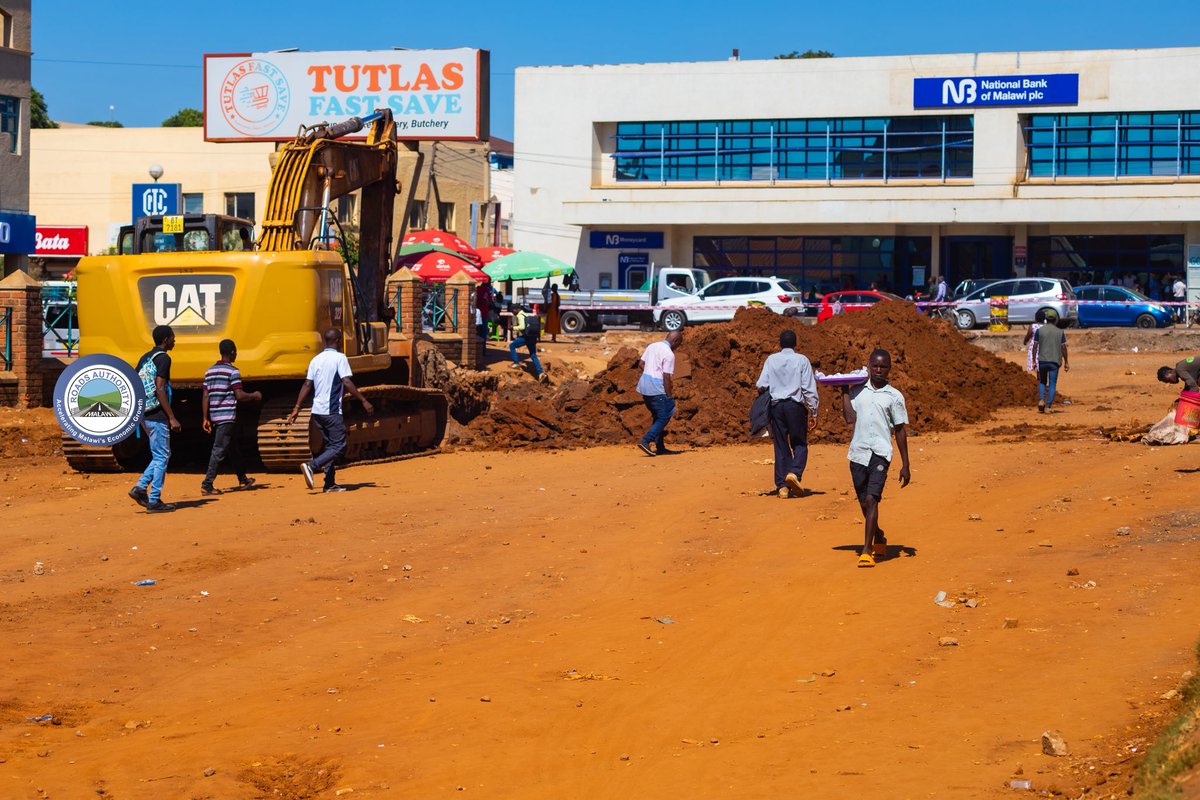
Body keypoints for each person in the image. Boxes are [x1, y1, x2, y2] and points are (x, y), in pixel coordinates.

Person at [839, 349, 911, 568]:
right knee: (863, 502)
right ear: (869, 366)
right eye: (875, 366)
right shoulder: (857, 391)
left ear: (889, 368)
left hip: (880, 453)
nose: (879, 370)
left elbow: (900, 430)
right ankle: (878, 535)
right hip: (858, 453)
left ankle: (866, 550)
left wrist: (906, 464)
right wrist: (844, 391)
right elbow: (849, 418)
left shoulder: (894, 396)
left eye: (883, 366)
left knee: (872, 499)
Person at [287, 328, 375, 493]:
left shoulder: (316, 359)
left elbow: (307, 384)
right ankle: (311, 466)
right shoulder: (340, 358)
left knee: (330, 446)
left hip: (317, 412)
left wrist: (297, 407)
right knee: (339, 445)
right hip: (331, 411)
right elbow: (346, 381)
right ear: (338, 341)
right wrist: (363, 400)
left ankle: (329, 484)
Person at [756, 329, 819, 498]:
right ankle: (794, 473)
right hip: (795, 407)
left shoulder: (771, 360)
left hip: (776, 407)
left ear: (780, 343)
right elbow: (808, 388)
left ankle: (782, 487)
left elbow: (761, 384)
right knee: (799, 443)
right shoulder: (802, 360)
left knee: (781, 445)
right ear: (795, 343)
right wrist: (813, 411)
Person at [129, 324, 181, 513]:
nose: (175, 340)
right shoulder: (164, 359)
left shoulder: (146, 357)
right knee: (162, 456)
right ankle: (154, 500)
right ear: (166, 339)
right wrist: (172, 417)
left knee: (161, 454)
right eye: (173, 337)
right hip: (157, 414)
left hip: (144, 413)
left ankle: (140, 488)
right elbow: (160, 389)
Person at [200, 339, 262, 495]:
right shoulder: (233, 371)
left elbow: (206, 395)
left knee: (232, 447)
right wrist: (254, 395)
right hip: (226, 416)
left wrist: (205, 418)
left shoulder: (209, 371)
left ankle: (243, 479)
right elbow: (239, 395)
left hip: (215, 415)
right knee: (219, 449)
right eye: (236, 352)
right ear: (233, 352)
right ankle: (207, 484)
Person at [635, 330, 684, 456]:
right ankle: (646, 441)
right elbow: (666, 377)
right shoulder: (669, 354)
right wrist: (669, 396)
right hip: (656, 388)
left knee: (658, 417)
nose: (677, 347)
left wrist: (650, 372)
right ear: (675, 341)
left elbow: (641, 364)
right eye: (679, 344)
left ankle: (660, 447)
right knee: (665, 415)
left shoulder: (652, 346)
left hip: (644, 386)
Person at [1031, 312, 1069, 413]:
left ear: (1046, 319)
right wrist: (1066, 362)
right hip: (1054, 362)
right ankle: (1048, 406)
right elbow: (1063, 347)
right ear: (1055, 320)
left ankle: (1041, 400)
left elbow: (1035, 346)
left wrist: (1034, 360)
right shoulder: (1060, 332)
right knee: (1052, 384)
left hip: (1042, 361)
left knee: (1042, 381)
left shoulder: (1039, 331)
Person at [509, 304, 546, 381]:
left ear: (516, 309)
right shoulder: (525, 314)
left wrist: (513, 328)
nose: (512, 312)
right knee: (533, 355)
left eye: (512, 310)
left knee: (512, 346)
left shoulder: (520, 315)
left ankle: (516, 363)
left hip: (526, 337)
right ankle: (541, 373)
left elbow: (522, 326)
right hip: (532, 337)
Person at [1023, 308, 1046, 373]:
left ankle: (1038, 378)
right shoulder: (1045, 327)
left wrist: (1025, 341)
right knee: (1041, 366)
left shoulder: (1032, 326)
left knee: (1035, 364)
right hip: (1044, 348)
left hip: (1034, 348)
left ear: (1036, 318)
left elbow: (1028, 335)